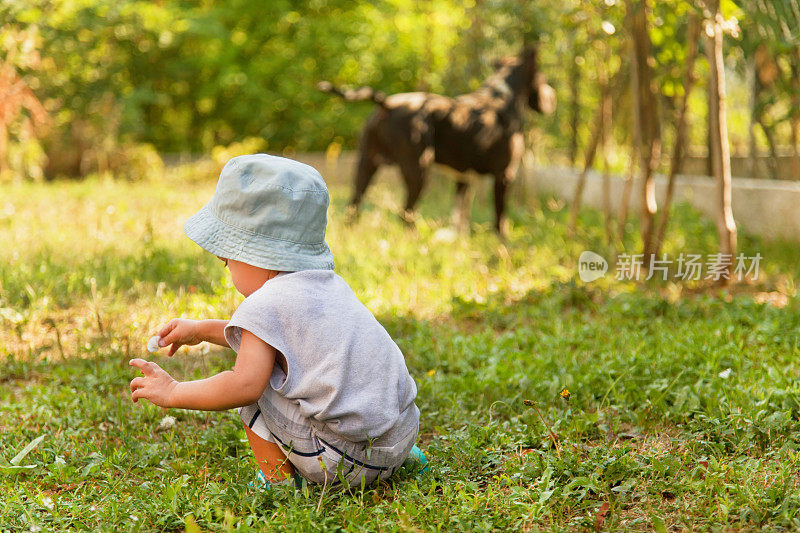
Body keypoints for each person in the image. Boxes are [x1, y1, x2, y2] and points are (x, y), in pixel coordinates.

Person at [128, 154, 424, 488]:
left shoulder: (265, 303)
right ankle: (406, 460)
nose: (227, 270)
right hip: (399, 440)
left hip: (344, 463)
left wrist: (174, 391)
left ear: (254, 253)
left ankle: (280, 482)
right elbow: (277, 341)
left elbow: (244, 385)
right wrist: (199, 330)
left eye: (227, 261)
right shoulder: (330, 286)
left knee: (255, 387)